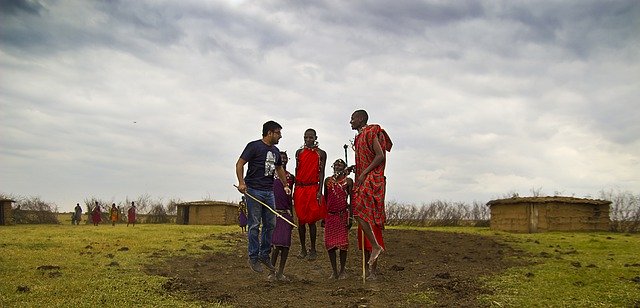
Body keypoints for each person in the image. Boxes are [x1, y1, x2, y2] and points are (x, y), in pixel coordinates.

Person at [236, 120, 292, 274]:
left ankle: (264, 254)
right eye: (278, 133)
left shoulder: (275, 151)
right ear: (269, 133)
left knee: (271, 224)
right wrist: (241, 183)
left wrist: (285, 184)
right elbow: (240, 164)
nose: (280, 136)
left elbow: (279, 168)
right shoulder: (253, 146)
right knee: (254, 224)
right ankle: (253, 257)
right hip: (253, 190)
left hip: (269, 192)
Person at [348, 109, 392, 276]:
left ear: (360, 119)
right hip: (363, 176)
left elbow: (380, 155)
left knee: (359, 211)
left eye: (352, 118)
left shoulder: (371, 131)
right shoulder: (359, 137)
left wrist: (364, 172)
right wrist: (356, 168)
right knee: (358, 213)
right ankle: (374, 245)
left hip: (372, 177)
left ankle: (375, 246)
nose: (350, 121)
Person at [293, 128, 327, 260]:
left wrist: (320, 191)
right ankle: (302, 248)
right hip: (300, 188)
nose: (308, 140)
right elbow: (297, 170)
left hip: (313, 188)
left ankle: (313, 249)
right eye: (306, 137)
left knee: (312, 221)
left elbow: (322, 172)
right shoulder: (299, 152)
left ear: (315, 138)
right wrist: (295, 189)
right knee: (301, 221)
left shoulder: (321, 153)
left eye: (310, 137)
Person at [323, 158, 353, 280]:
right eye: (335, 165)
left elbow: (352, 201)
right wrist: (323, 216)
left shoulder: (349, 182)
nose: (337, 167)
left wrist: (350, 217)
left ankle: (342, 270)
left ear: (344, 168)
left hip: (342, 216)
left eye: (340, 165)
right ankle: (334, 271)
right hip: (330, 216)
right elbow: (325, 199)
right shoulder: (328, 181)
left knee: (343, 244)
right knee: (330, 245)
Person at [269, 151, 295, 282]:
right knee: (276, 245)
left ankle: (280, 272)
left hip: (286, 214)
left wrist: (292, 215)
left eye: (285, 158)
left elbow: (290, 198)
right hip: (273, 213)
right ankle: (271, 272)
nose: (283, 160)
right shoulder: (270, 175)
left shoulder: (291, 178)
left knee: (286, 246)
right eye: (281, 158)